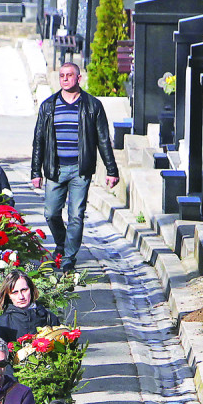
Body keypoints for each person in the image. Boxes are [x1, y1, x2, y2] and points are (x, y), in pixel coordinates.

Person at [31, 63, 119, 273]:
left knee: (76, 214)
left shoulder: (92, 105)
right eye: (62, 75)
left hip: (80, 169)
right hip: (55, 169)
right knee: (51, 213)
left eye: (70, 75)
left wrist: (112, 170)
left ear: (78, 78)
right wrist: (36, 171)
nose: (65, 79)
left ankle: (69, 256)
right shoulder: (48, 106)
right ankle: (61, 243)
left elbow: (103, 139)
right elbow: (39, 140)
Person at [0, 269, 60, 344]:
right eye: (15, 292)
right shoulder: (3, 322)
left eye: (24, 290)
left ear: (31, 290)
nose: (21, 297)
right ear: (8, 296)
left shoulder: (49, 318)